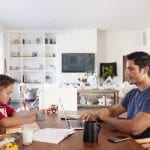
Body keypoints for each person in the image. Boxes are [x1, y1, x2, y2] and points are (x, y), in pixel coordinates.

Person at [80, 51, 150, 139]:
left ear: (145, 70)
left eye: (131, 69)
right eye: (127, 69)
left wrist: (106, 118)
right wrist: (95, 116)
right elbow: (113, 111)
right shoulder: (132, 93)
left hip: (140, 146)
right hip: (128, 140)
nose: (127, 73)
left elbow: (135, 128)